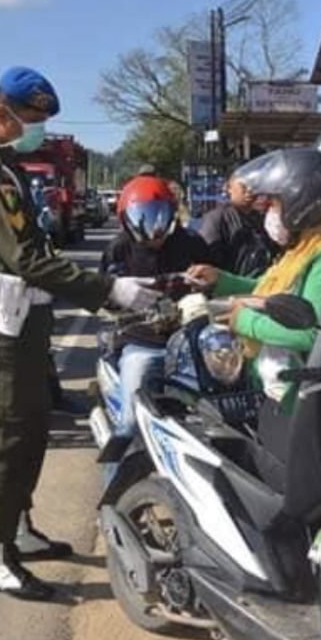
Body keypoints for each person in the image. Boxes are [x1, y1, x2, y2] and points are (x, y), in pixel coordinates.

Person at [0, 66, 159, 601]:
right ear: (2, 114)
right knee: (6, 439)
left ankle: (18, 528)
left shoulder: (8, 168)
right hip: (3, 325)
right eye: (32, 119)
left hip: (24, 321)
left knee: (31, 429)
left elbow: (37, 251)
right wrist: (108, 290)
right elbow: (25, 259)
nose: (37, 129)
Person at [186, 148, 321, 407]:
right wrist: (220, 279)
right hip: (274, 378)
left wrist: (244, 321)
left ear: (300, 203)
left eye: (274, 203)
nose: (268, 213)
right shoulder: (303, 247)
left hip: (295, 394)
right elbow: (267, 290)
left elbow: (310, 332)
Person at [100, 173, 209, 440]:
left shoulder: (191, 242)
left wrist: (203, 286)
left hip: (190, 340)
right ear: (127, 218)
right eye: (144, 218)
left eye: (159, 216)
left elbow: (214, 280)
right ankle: (117, 470)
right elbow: (105, 296)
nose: (154, 229)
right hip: (142, 342)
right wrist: (119, 297)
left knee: (217, 409)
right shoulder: (119, 249)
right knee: (129, 425)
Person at [198, 166, 278, 277]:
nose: (249, 191)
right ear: (229, 188)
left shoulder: (263, 219)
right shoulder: (217, 218)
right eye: (243, 186)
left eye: (253, 185)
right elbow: (208, 259)